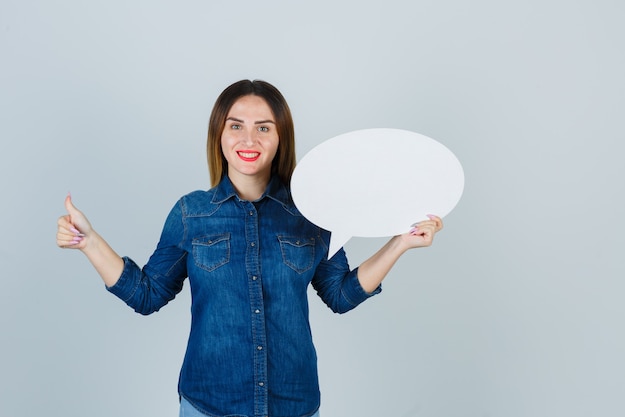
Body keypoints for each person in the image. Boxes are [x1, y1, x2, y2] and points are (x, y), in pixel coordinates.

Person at [56, 79, 443, 417]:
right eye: (236, 126)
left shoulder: (311, 213)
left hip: (294, 405)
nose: (249, 140)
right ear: (219, 135)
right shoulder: (192, 213)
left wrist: (400, 244)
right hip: (209, 405)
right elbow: (147, 294)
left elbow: (340, 294)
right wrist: (89, 242)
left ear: (280, 138)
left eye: (264, 128)